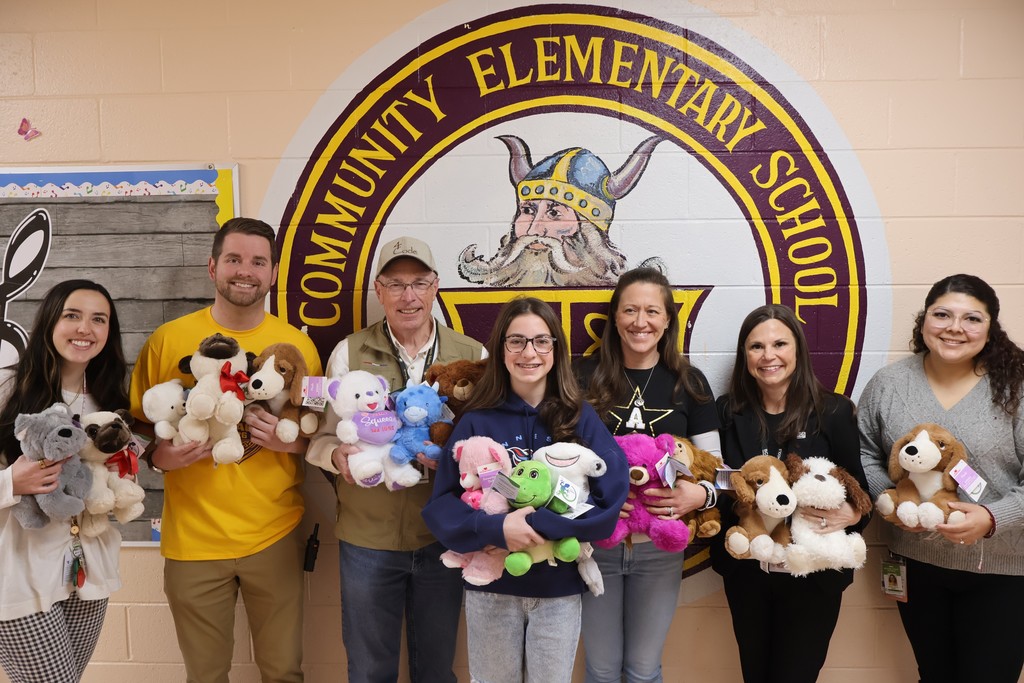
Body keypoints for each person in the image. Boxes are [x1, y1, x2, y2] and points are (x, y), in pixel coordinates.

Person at [128, 217, 322, 683]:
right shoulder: (167, 340)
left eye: (258, 262)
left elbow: (321, 433)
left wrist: (290, 441)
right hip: (192, 540)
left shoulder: (300, 347)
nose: (245, 271)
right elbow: (134, 427)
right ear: (212, 266)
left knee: (283, 673)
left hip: (274, 534)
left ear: (273, 274)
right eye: (234, 259)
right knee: (206, 676)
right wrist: (157, 457)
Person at [305, 235, 484, 683]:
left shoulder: (473, 355)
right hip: (369, 538)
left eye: (420, 283)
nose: (409, 296)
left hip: (444, 537)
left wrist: (453, 464)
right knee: (369, 670)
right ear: (379, 291)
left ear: (436, 287)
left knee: (436, 669)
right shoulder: (348, 352)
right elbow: (320, 441)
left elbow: (491, 450)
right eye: (397, 284)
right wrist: (337, 456)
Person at [422, 297, 629, 683]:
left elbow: (609, 500)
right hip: (492, 590)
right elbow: (443, 505)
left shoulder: (579, 417)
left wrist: (538, 527)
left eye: (541, 341)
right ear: (501, 349)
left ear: (556, 349)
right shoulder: (476, 421)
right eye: (516, 341)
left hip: (558, 590)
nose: (529, 352)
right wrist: (497, 529)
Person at [858, 274, 1024, 683]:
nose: (955, 327)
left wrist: (992, 518)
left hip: (1001, 569)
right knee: (934, 674)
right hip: (917, 564)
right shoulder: (889, 385)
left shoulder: (1016, 387)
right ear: (924, 321)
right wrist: (892, 501)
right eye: (943, 314)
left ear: (990, 329)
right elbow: (864, 453)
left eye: (972, 319)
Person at [573, 267, 721, 683]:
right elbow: (557, 461)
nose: (641, 322)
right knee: (600, 670)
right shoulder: (581, 377)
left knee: (642, 670)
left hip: (661, 549)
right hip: (596, 544)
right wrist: (590, 504)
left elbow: (718, 470)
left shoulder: (689, 383)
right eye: (630, 311)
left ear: (668, 320)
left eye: (652, 311)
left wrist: (701, 496)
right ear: (615, 318)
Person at [712, 304, 867, 683]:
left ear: (797, 349)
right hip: (749, 572)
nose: (768, 356)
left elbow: (857, 488)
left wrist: (856, 515)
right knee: (755, 673)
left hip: (812, 574)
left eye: (779, 343)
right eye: (756, 347)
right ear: (743, 355)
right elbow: (717, 486)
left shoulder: (833, 411)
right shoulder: (728, 412)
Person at [0, 280, 128, 682]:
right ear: (50, 320)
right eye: (72, 315)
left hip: (86, 573)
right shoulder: (7, 385)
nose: (85, 328)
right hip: (18, 575)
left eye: (98, 319)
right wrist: (10, 483)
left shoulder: (106, 400)